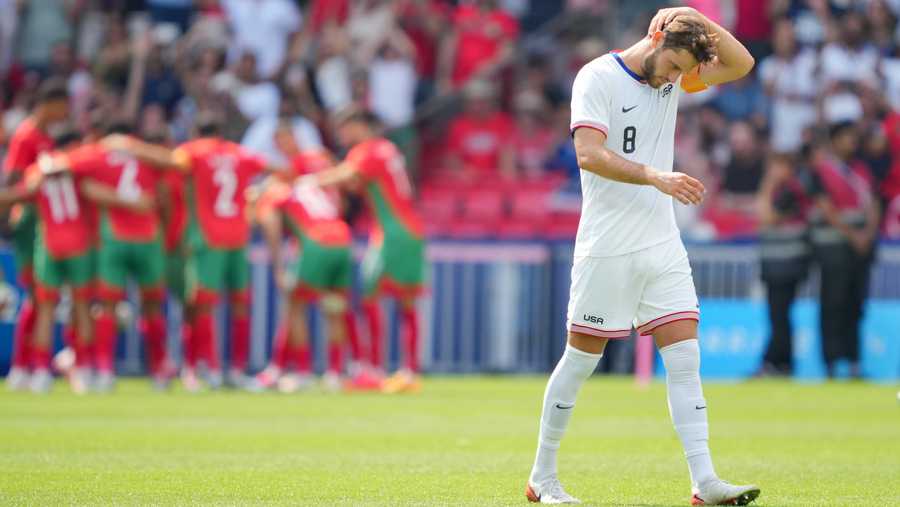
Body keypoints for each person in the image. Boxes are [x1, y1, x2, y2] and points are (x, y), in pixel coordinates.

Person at [527, 7, 759, 505]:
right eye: (673, 65)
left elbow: (741, 64)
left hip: (660, 241)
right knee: (579, 362)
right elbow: (588, 153)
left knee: (685, 358)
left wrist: (694, 15)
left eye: (682, 71)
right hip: (607, 245)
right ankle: (542, 477)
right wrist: (655, 175)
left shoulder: (671, 76)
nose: (675, 78)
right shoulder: (597, 77)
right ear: (654, 38)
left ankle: (704, 481)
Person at [105, 113, 282, 390]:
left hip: (203, 239)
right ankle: (234, 370)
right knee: (238, 304)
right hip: (237, 236)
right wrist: (257, 196)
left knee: (199, 305)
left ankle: (202, 368)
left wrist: (128, 146)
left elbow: (169, 161)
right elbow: (275, 168)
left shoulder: (193, 153)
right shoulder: (238, 153)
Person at [312, 109, 426, 394]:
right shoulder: (389, 150)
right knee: (406, 302)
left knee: (370, 297)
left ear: (358, 126)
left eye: (343, 129)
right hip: (408, 229)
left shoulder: (369, 150)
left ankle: (372, 369)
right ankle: (408, 370)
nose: (342, 136)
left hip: (392, 233)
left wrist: (306, 182)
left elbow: (345, 175)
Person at [63, 123, 169, 392]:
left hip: (114, 239)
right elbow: (177, 163)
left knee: (107, 307)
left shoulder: (97, 153)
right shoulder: (147, 155)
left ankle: (104, 370)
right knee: (153, 306)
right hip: (148, 238)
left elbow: (63, 165)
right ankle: (159, 371)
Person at [252, 163, 356, 393]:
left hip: (316, 244)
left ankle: (303, 372)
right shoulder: (309, 187)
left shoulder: (276, 192)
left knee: (295, 307)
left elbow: (271, 225)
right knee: (334, 308)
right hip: (342, 238)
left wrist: (278, 268)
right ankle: (335, 375)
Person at [2, 78, 69, 391]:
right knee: (39, 294)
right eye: (63, 107)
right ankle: (26, 365)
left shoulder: (43, 136)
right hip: (28, 222)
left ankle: (24, 366)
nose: (65, 114)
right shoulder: (27, 135)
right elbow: (14, 182)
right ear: (51, 104)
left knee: (40, 295)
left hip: (42, 221)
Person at [806, 122, 880, 378]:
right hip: (833, 249)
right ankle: (831, 363)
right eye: (848, 137)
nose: (853, 142)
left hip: (859, 251)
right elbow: (825, 207)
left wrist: (868, 233)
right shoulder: (822, 171)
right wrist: (854, 236)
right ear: (835, 140)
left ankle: (854, 362)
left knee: (856, 305)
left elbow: (873, 203)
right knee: (832, 305)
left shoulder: (862, 168)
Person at [755, 155, 811, 376]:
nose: (772, 172)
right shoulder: (786, 190)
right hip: (776, 264)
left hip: (787, 265)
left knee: (779, 315)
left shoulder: (790, 192)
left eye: (777, 166)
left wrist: (767, 186)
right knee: (778, 315)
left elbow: (767, 217)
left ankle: (776, 363)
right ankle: (781, 362)